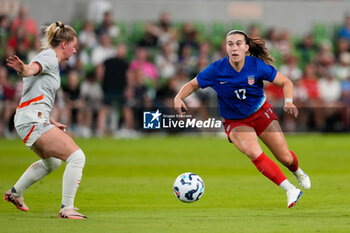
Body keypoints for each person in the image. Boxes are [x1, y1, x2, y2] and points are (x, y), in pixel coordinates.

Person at [174, 30, 311, 208]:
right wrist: (178, 97)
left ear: (246, 48)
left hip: (261, 113)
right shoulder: (217, 69)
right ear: (226, 47)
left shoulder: (256, 66)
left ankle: (298, 171)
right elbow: (193, 84)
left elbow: (286, 82)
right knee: (254, 153)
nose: (234, 47)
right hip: (235, 121)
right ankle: (289, 189)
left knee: (285, 157)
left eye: (238, 43)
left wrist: (289, 101)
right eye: (230, 44)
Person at [4, 21, 86, 219]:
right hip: (31, 121)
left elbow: (36, 92)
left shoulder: (50, 60)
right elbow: (30, 70)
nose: (75, 51)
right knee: (77, 157)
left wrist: (50, 120)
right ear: (64, 44)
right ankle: (67, 209)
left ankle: (15, 193)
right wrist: (22, 68)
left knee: (53, 163)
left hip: (31, 119)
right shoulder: (48, 57)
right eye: (74, 46)